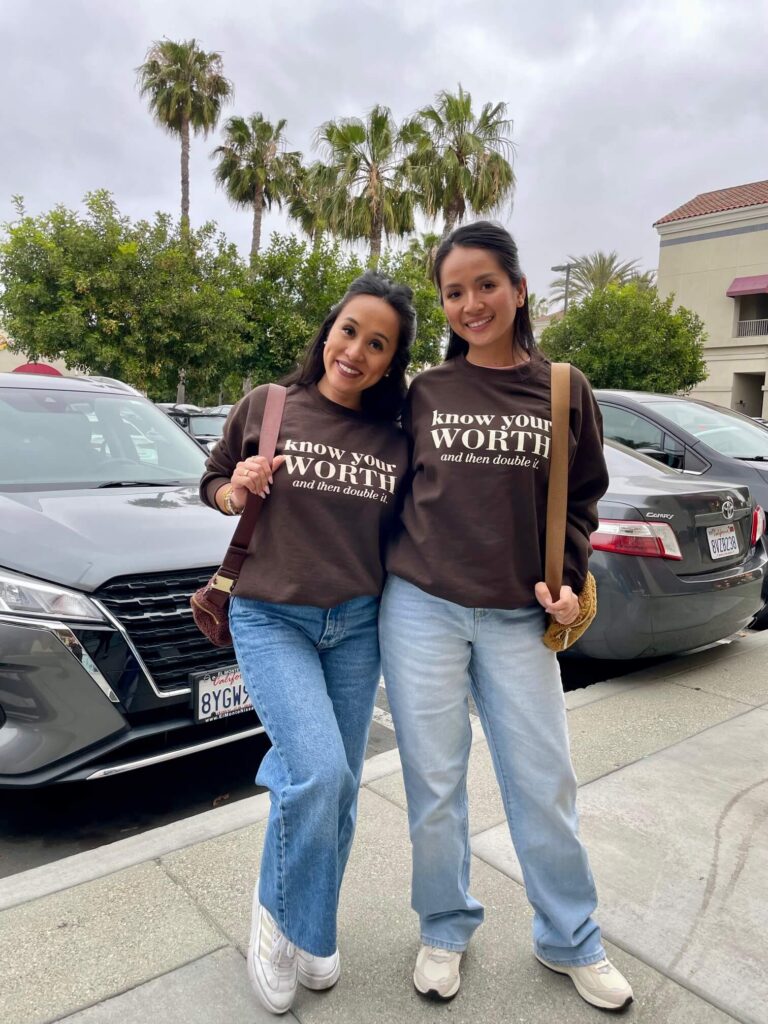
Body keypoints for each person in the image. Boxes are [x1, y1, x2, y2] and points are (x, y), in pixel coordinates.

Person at [379, 222, 633, 1012]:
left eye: (485, 284)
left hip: (519, 619)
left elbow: (582, 497)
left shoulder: (563, 387)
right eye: (454, 291)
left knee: (544, 781)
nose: (470, 303)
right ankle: (444, 927)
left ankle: (570, 938)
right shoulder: (426, 392)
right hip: (421, 606)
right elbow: (383, 488)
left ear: (519, 289)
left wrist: (569, 572)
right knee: (435, 783)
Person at [200, 271, 414, 1016]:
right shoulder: (271, 404)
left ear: (392, 362)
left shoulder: (394, 438)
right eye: (349, 330)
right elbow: (214, 481)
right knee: (318, 771)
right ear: (329, 328)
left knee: (341, 787)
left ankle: (310, 924)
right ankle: (278, 921)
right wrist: (236, 488)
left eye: (377, 343)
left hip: (355, 624)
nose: (355, 350)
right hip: (270, 616)